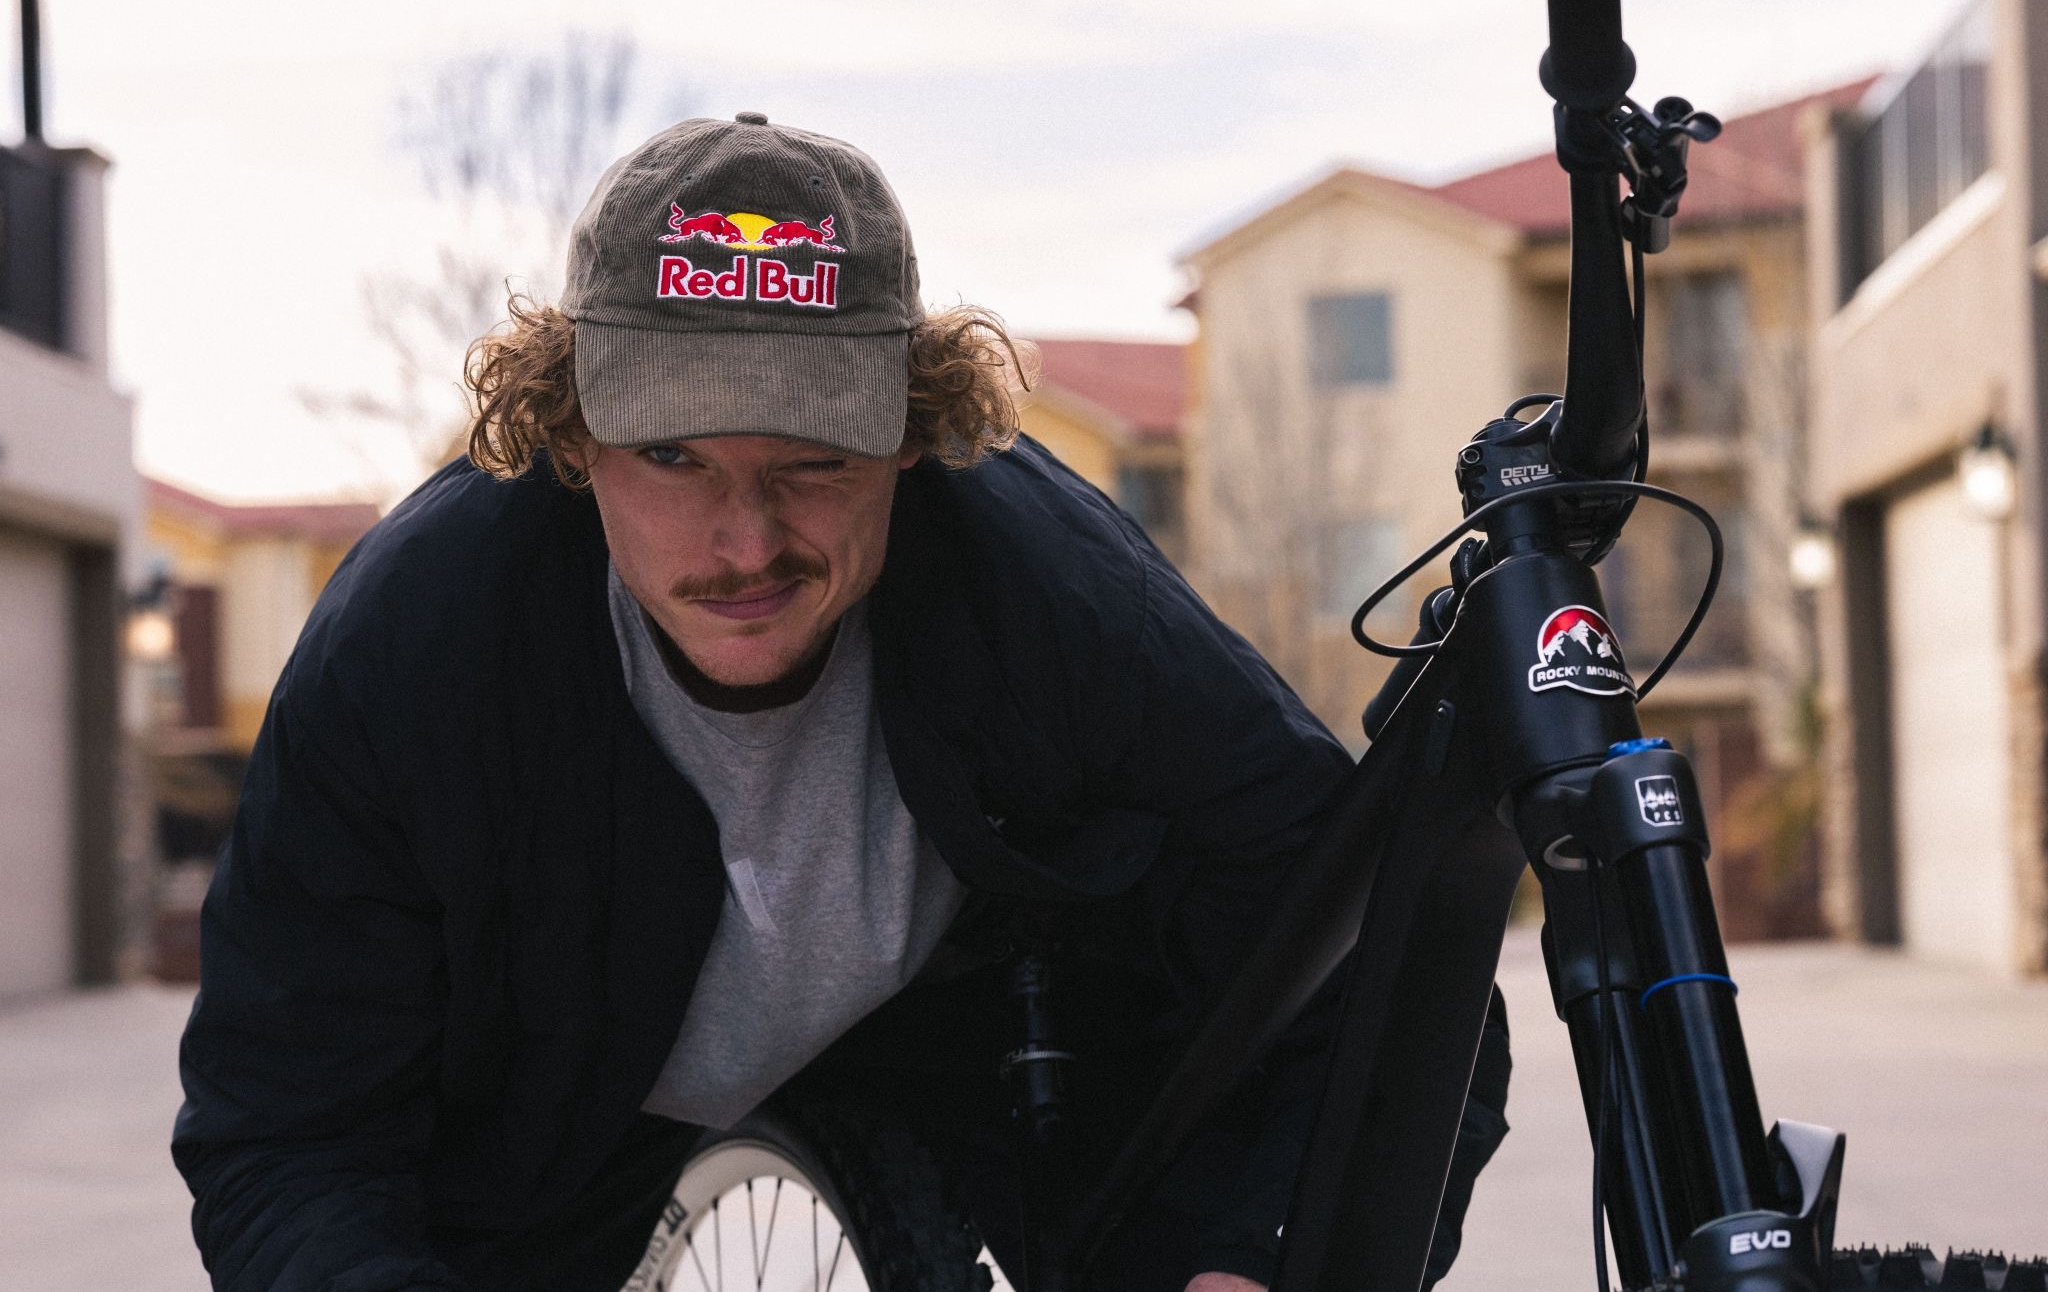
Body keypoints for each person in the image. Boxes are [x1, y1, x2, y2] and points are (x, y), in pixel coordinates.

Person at [173, 112, 1510, 1292]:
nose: (747, 542)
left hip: (980, 1033)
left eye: (814, 460)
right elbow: (287, 1122)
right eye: (674, 456)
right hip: (545, 1110)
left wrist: (1260, 1253)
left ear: (915, 432)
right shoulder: (419, 641)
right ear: (572, 433)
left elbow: (1383, 958)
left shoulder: (1056, 596)